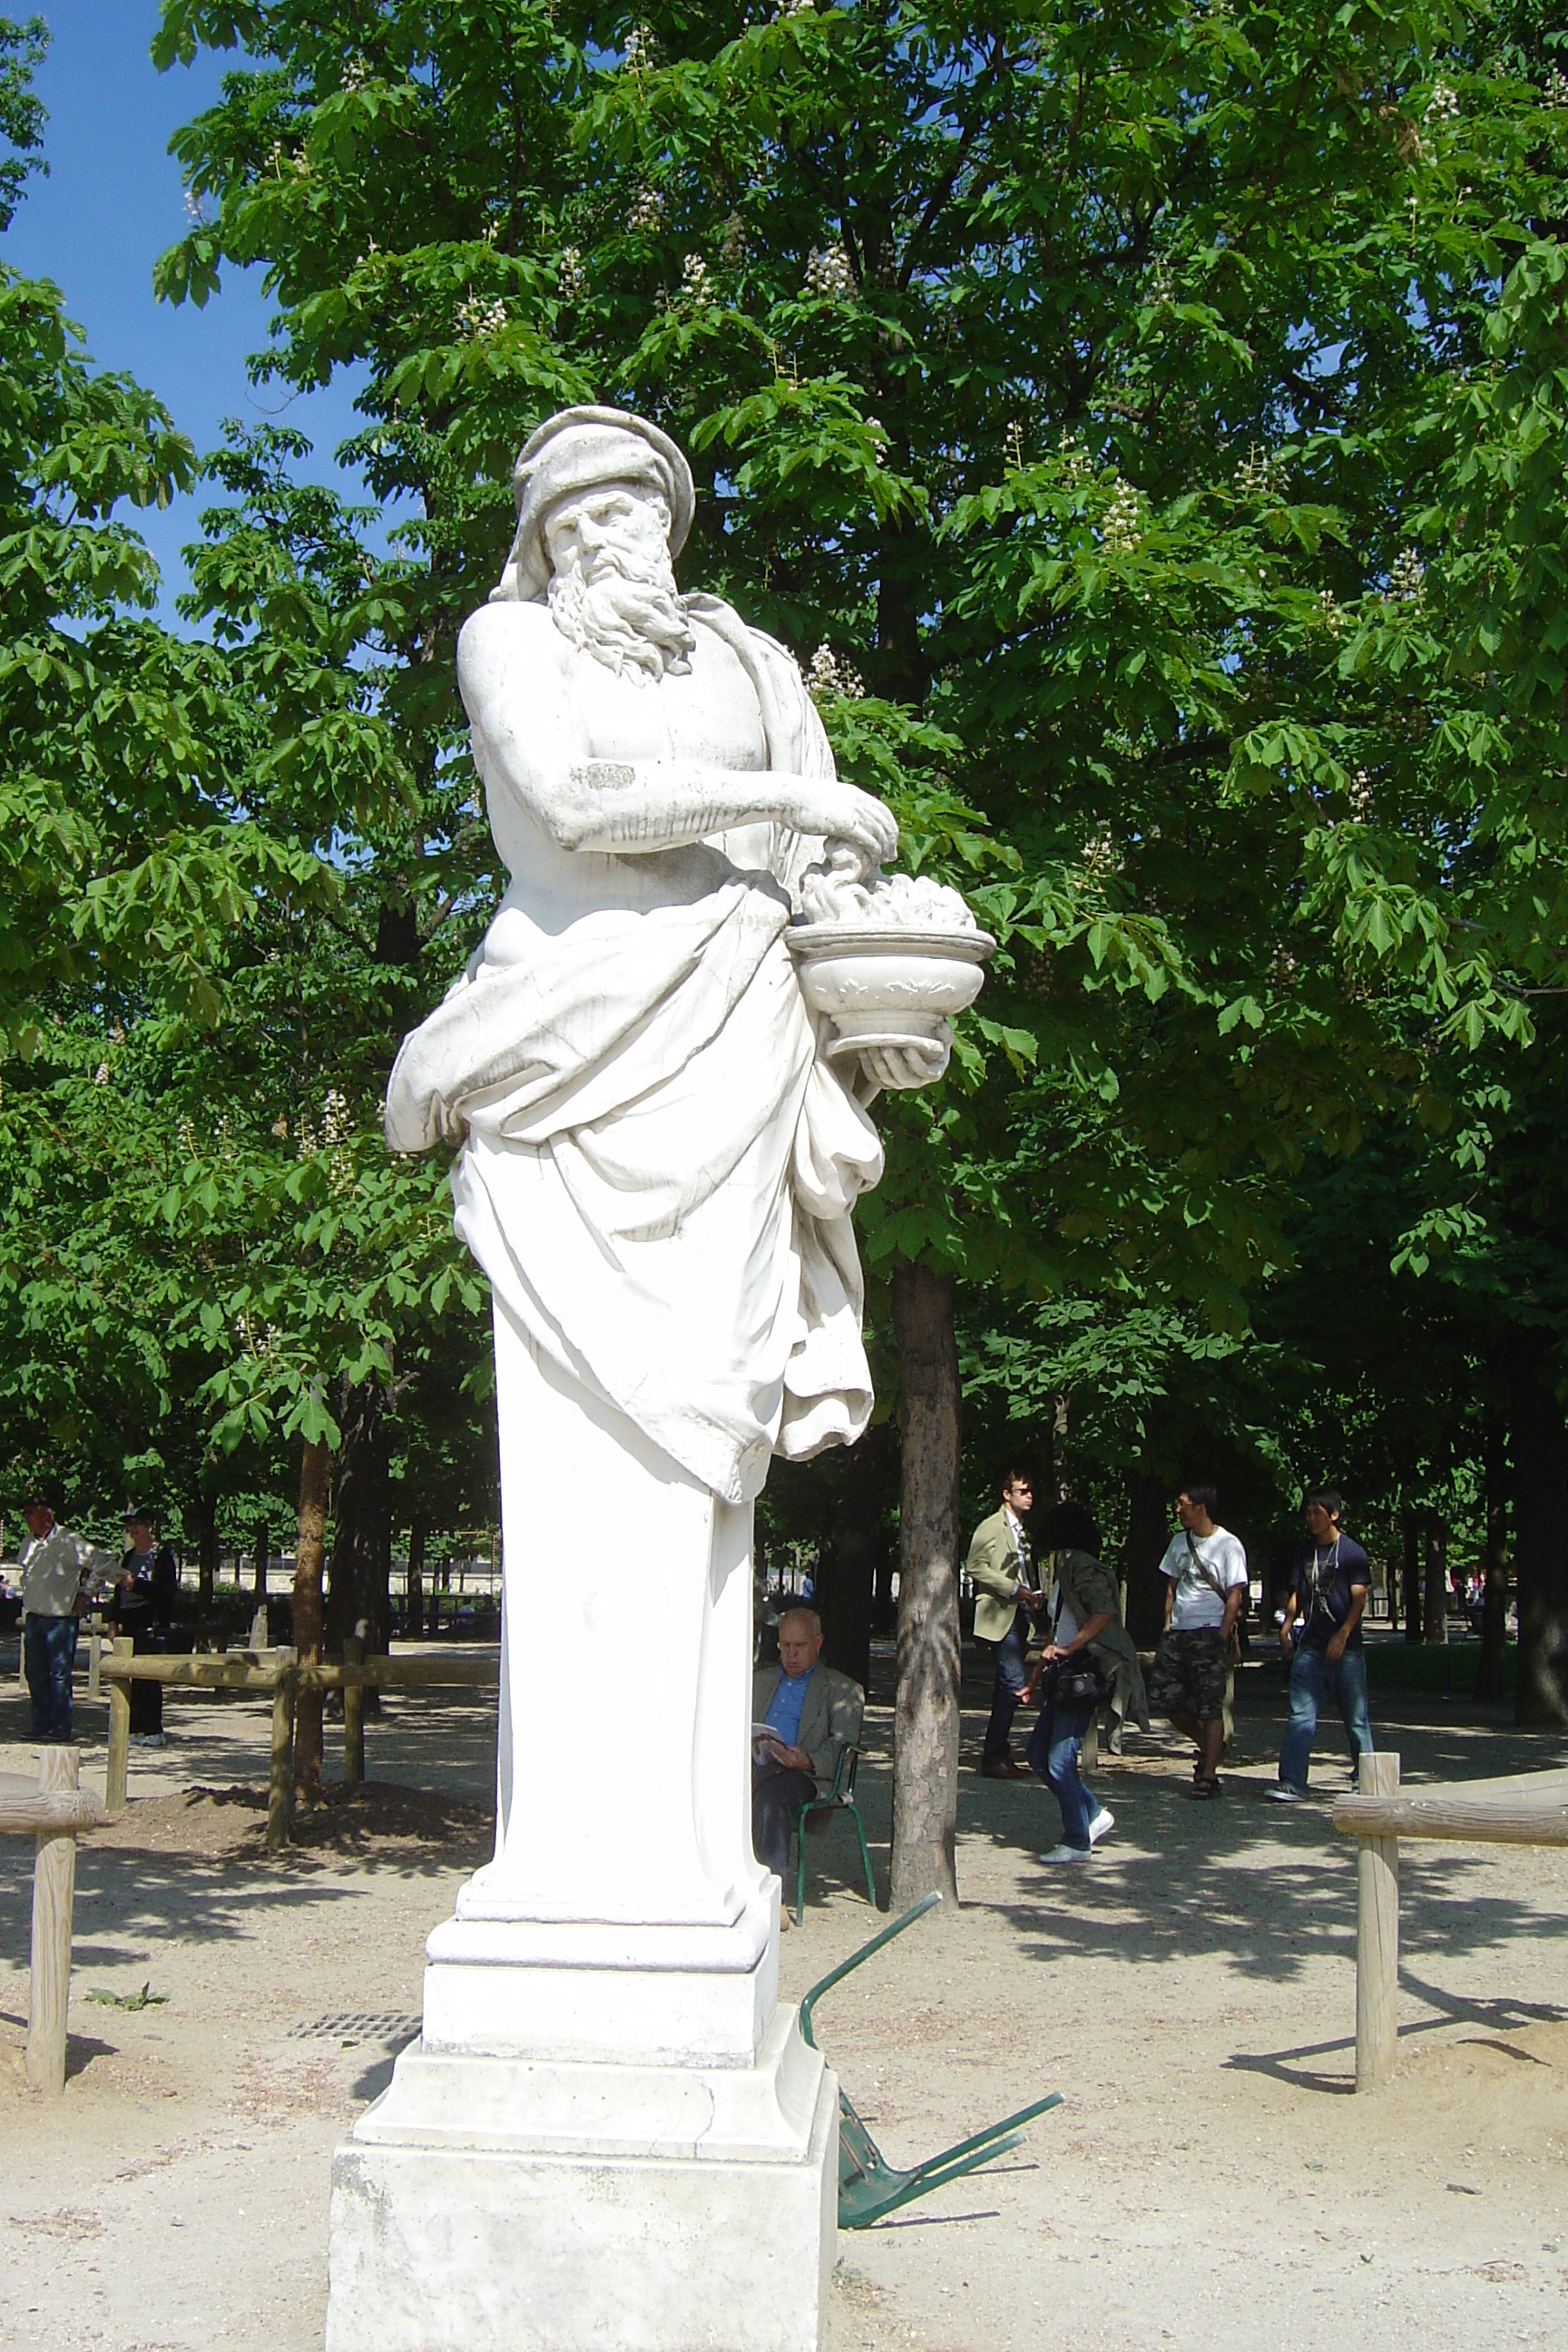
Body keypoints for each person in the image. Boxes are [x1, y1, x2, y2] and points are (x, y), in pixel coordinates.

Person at [1020, 1502, 1146, 1862]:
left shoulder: (1082, 1566)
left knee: (1059, 1760)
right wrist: (1035, 1678)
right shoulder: (1066, 1565)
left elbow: (1103, 1612)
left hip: (1081, 1670)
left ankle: (1077, 1840)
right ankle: (1091, 1813)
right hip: (1065, 1671)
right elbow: (1059, 1626)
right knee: (1037, 1754)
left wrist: (1070, 1648)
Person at [1270, 1488, 1374, 1800]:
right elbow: (1298, 1593)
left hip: (1347, 1649)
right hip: (1311, 1645)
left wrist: (1343, 1634)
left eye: (1318, 1513)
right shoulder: (1305, 1552)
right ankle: (1292, 1781)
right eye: (1309, 1513)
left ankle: (1368, 1779)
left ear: (1334, 1514)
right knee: (1301, 1714)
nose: (1312, 1519)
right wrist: (1287, 1626)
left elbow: (1359, 1598)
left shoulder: (1352, 1552)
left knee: (1356, 1718)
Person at [750, 1606, 864, 1889]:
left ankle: (774, 1896)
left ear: (818, 1642)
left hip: (804, 1775)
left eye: (800, 1646)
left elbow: (843, 1746)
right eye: (785, 1646)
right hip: (756, 1765)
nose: (791, 1655)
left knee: (771, 1800)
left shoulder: (842, 1689)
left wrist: (807, 1760)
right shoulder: (759, 1682)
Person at [1148, 1484, 1249, 1799]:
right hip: (1179, 1631)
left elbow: (1235, 1593)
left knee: (1210, 1705)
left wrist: (1222, 1634)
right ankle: (1209, 1746)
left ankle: (1208, 1775)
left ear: (1201, 1508)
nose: (1178, 1510)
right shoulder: (1179, 1542)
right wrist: (1167, 1624)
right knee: (1166, 1698)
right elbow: (1171, 1586)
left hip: (1209, 1630)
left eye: (1183, 1504)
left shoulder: (1228, 1545)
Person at [966, 1466, 1043, 1779]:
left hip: (1021, 1612)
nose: (1029, 1497)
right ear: (1006, 1494)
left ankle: (995, 1756)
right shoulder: (991, 1527)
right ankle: (996, 1755)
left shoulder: (1022, 1531)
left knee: (1003, 1689)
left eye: (1030, 1491)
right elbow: (974, 1566)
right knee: (1014, 1684)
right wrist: (1012, 1588)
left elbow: (1022, 1569)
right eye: (1022, 1491)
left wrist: (1031, 1595)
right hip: (999, 1614)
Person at [19, 1492, 96, 1743]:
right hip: (34, 1618)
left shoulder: (69, 1540)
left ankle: (61, 1728)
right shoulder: (27, 1542)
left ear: (47, 1513)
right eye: (25, 1513)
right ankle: (40, 1724)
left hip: (60, 1620)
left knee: (60, 1674)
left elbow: (101, 1563)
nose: (27, 1518)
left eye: (31, 1512)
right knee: (34, 1673)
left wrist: (86, 1592)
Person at [112, 1508, 172, 1744]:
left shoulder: (161, 1555)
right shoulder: (128, 1556)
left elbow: (166, 1592)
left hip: (150, 1622)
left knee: (148, 1677)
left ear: (149, 1526)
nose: (133, 1528)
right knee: (130, 1677)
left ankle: (153, 1729)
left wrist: (137, 1584)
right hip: (129, 1622)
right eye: (130, 1524)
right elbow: (119, 1591)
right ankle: (135, 1727)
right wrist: (114, 1619)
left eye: (138, 1523)